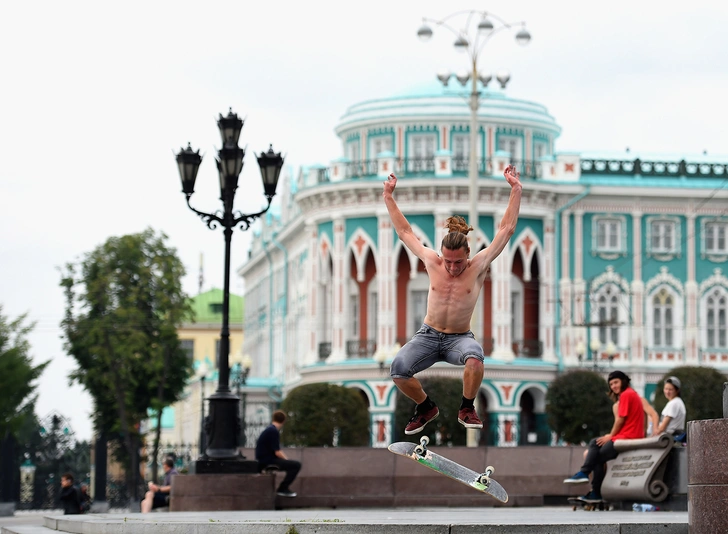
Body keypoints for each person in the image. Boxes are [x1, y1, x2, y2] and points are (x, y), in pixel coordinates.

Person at [382, 165, 522, 435]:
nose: (453, 267)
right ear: (441, 255)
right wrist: (388, 196)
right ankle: (425, 407)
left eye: (458, 262)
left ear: (468, 254)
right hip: (428, 335)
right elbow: (405, 233)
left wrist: (516, 190)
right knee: (398, 369)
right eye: (448, 261)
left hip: (459, 338)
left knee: (475, 357)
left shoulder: (479, 264)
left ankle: (467, 407)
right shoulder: (432, 261)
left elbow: (506, 229)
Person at [563, 370, 645, 502]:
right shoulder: (632, 394)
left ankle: (585, 475)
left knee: (595, 445)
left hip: (627, 438)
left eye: (616, 382)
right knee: (597, 451)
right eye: (611, 384)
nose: (613, 386)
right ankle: (593, 489)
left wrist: (611, 436)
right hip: (629, 436)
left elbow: (620, 420)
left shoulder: (626, 395)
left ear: (624, 381)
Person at [255, 410, 301, 497]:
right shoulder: (273, 431)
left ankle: (283, 488)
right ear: (284, 421)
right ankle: (283, 488)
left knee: (292, 464)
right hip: (268, 461)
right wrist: (287, 460)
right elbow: (277, 452)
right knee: (296, 465)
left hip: (263, 459)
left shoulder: (269, 429)